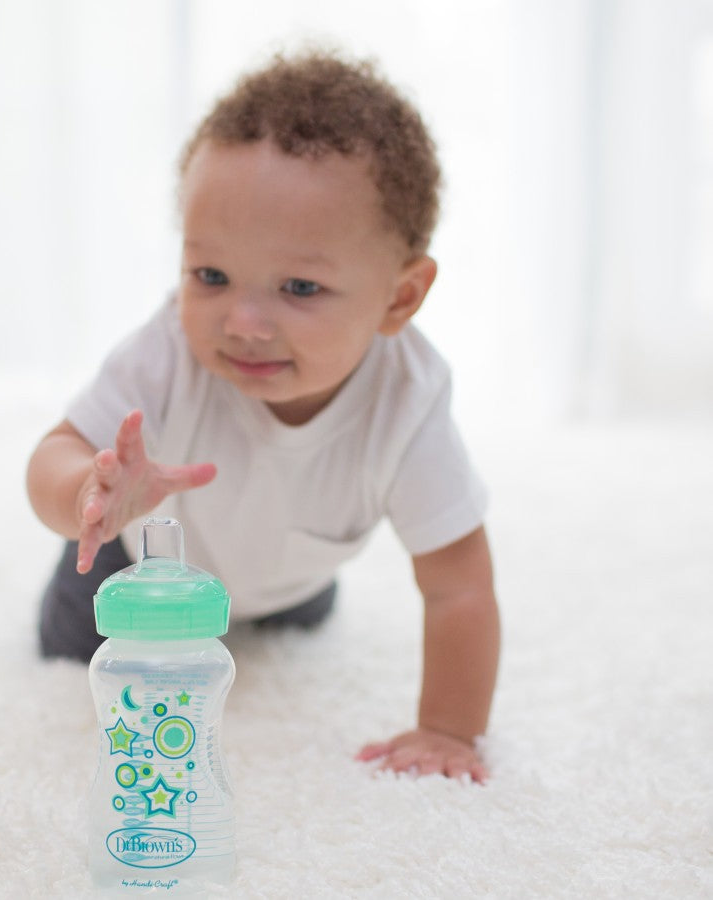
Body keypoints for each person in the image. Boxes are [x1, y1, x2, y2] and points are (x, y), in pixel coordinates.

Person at [27, 51, 500, 782]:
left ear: (400, 297)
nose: (243, 322)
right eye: (211, 276)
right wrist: (86, 492)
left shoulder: (408, 399)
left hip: (292, 585)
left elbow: (458, 586)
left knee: (298, 621)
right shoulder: (168, 352)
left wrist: (448, 729)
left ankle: (278, 604)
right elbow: (55, 452)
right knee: (69, 651)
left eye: (300, 287)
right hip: (139, 570)